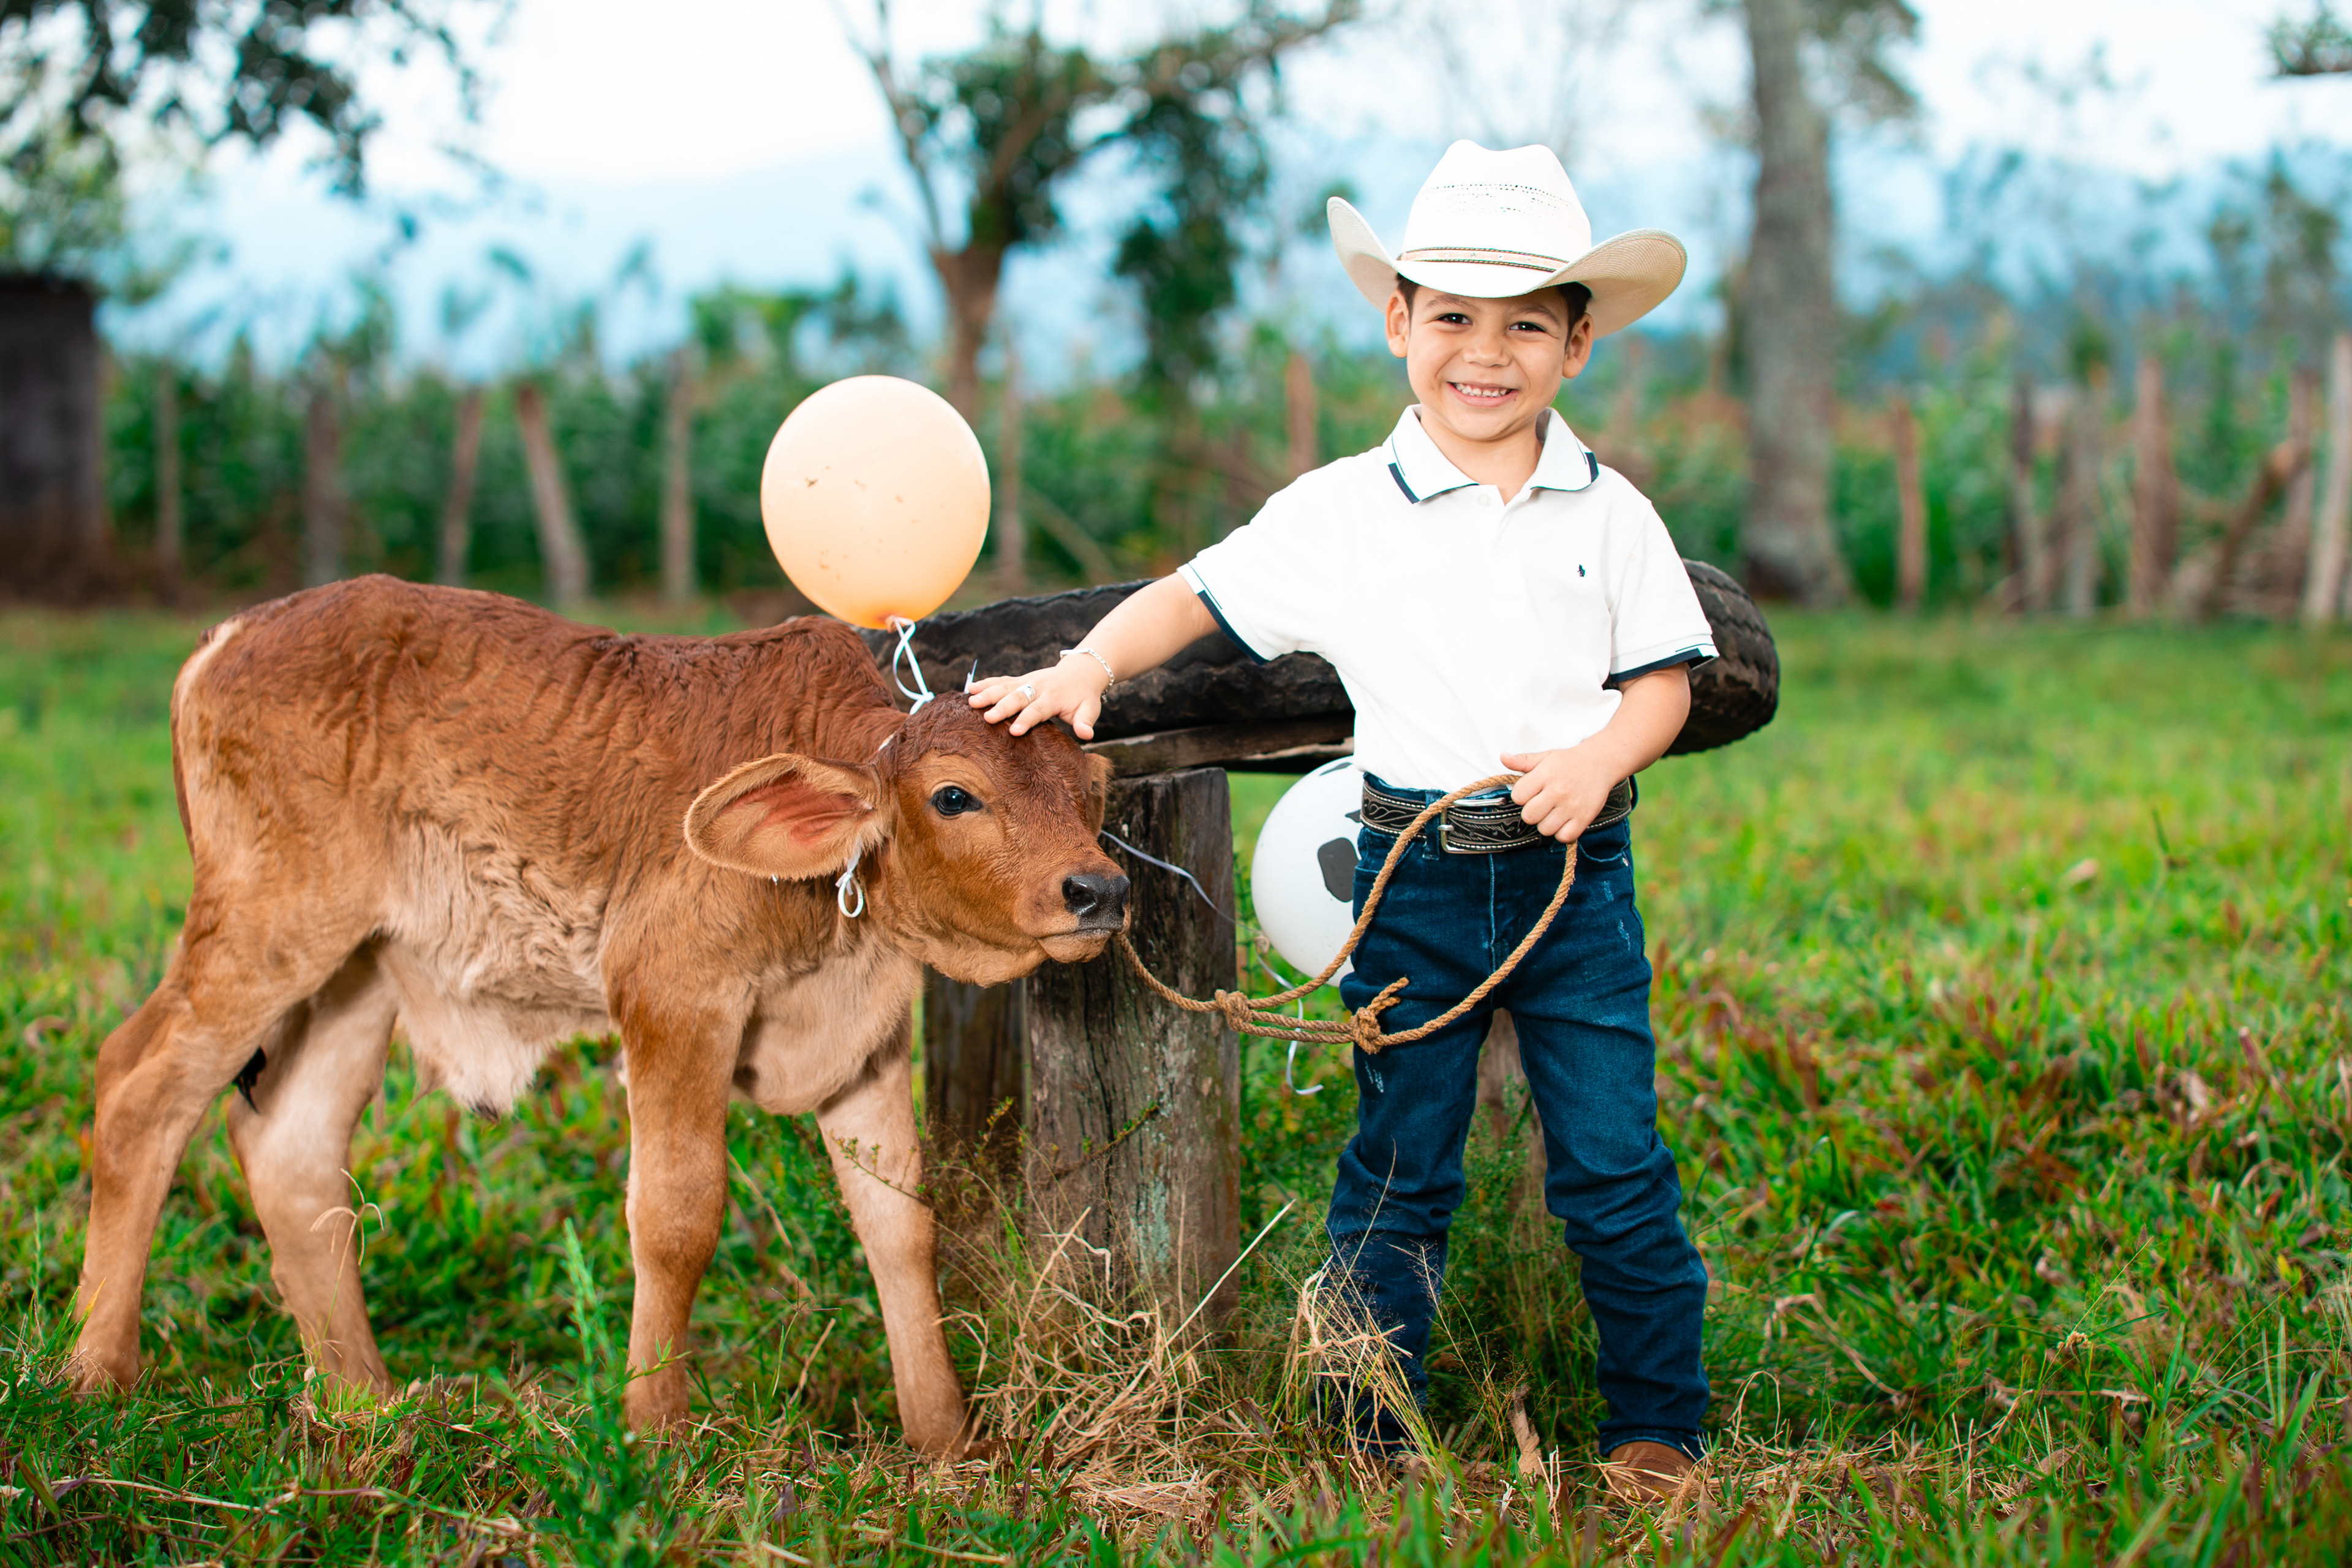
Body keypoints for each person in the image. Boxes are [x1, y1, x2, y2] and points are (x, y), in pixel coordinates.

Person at [967, 140, 1713, 1499]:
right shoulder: (1341, 512)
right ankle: (1365, 1428)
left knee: (1614, 1163)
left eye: (1526, 326)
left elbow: (1664, 680)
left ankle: (1658, 1426)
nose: (1485, 354)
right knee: (1400, 1163)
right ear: (1398, 323)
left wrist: (1602, 756)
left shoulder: (1614, 514)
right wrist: (1087, 666)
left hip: (1574, 881)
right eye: (1454, 318)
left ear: (1578, 344)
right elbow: (1193, 594)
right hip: (1414, 879)